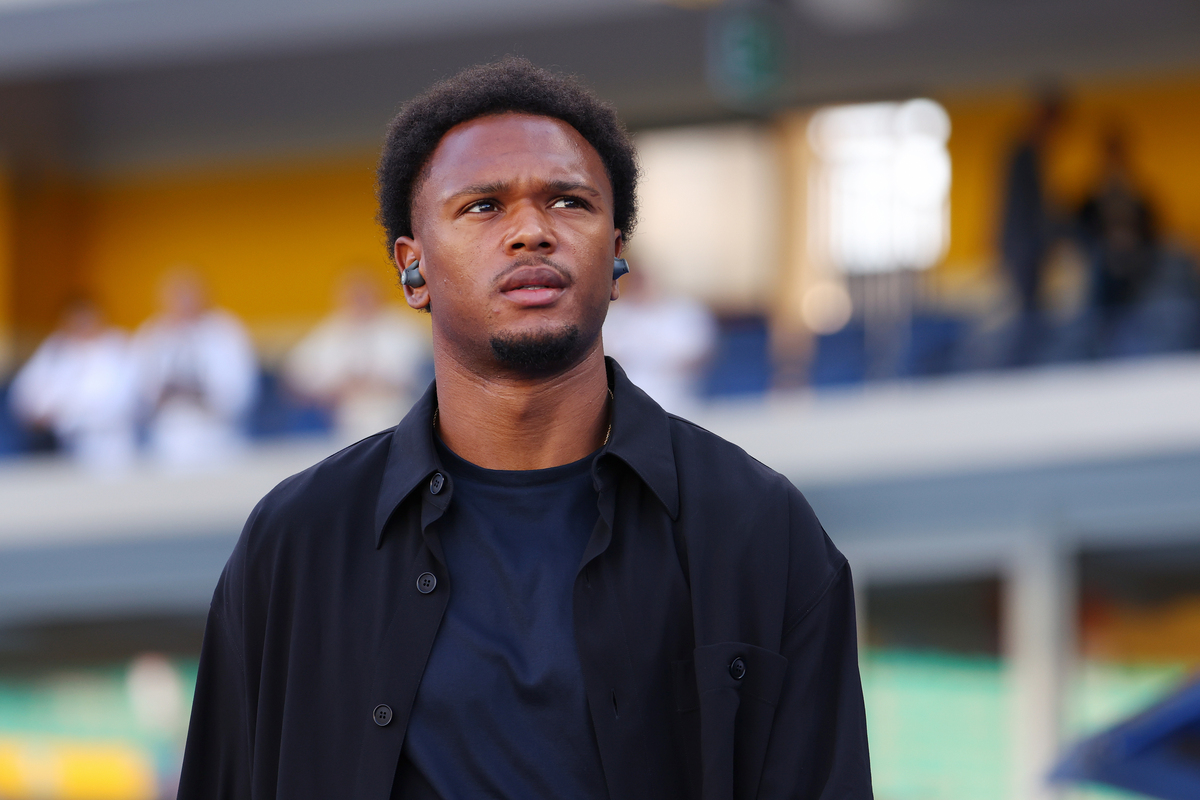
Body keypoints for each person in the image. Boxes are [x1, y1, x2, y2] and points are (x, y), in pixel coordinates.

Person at [178, 59, 871, 800]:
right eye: (482, 206)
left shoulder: (758, 530)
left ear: (617, 255)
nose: (531, 232)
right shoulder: (296, 543)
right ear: (412, 270)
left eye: (569, 202)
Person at [284, 268, 431, 443]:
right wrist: (333, 389)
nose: (358, 300)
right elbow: (295, 379)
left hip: (397, 419)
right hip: (342, 426)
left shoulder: (401, 327)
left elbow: (407, 377)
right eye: (352, 294)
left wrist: (366, 381)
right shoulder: (330, 331)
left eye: (363, 294)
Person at [134, 269, 257, 467]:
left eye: (189, 294)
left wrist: (198, 392)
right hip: (168, 438)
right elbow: (141, 393)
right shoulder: (151, 334)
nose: (183, 302)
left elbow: (240, 392)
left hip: (217, 435)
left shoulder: (226, 330)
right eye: (176, 295)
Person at [9, 296, 138, 470]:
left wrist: (64, 413)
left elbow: (119, 402)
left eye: (86, 318)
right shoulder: (56, 347)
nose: (81, 325)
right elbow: (24, 392)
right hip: (63, 446)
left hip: (109, 444)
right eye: (75, 319)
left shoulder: (117, 346)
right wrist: (40, 412)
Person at [602, 267, 716, 416]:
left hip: (678, 396)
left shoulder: (684, 311)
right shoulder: (615, 315)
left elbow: (700, 354)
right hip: (627, 400)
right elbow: (606, 357)